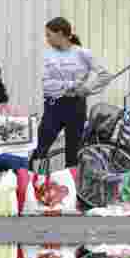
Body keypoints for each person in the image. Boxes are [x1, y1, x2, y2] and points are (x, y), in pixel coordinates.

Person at [33, 17, 111, 168]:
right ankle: (34, 183)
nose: (47, 39)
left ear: (60, 34)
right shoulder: (48, 55)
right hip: (53, 106)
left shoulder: (83, 53)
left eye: (49, 35)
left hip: (75, 106)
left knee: (73, 153)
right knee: (39, 147)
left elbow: (105, 75)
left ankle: (71, 188)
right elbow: (46, 84)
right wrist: (71, 85)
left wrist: (87, 89)